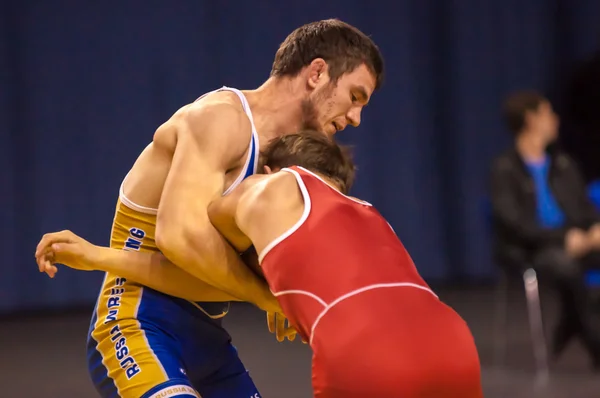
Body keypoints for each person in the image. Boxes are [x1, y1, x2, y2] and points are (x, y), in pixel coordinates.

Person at [40, 19, 383, 398]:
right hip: (136, 324)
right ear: (317, 72)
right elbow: (181, 240)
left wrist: (278, 283)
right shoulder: (221, 119)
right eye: (355, 96)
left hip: (207, 336)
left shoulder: (291, 155)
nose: (356, 119)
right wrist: (265, 296)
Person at [37, 131, 483, 398]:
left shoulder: (262, 195)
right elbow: (184, 251)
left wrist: (95, 256)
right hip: (453, 338)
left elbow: (191, 255)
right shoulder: (365, 212)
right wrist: (272, 298)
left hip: (350, 347)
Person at [491, 90, 600, 367]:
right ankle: (594, 342)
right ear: (531, 119)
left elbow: (585, 209)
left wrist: (594, 231)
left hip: (577, 242)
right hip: (532, 249)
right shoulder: (505, 169)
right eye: (548, 114)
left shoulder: (564, 165)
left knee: (576, 261)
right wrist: (565, 237)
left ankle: (570, 324)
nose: (556, 120)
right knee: (566, 266)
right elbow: (514, 223)